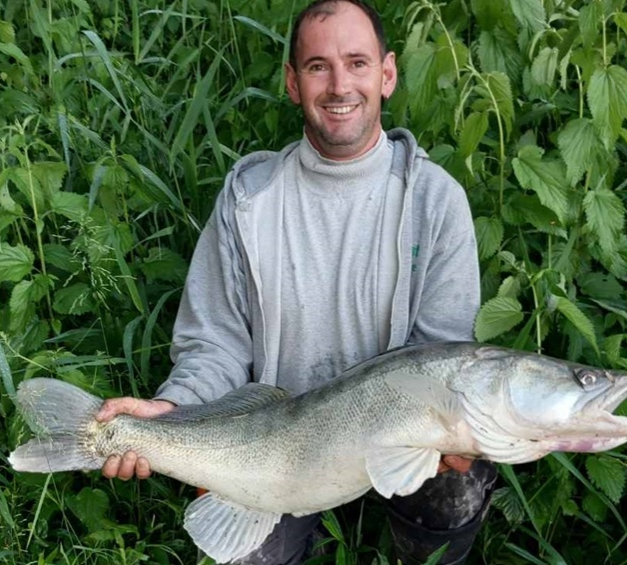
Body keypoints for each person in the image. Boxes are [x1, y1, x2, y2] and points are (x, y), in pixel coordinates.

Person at [95, 0, 497, 563]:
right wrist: (177, 409)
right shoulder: (247, 200)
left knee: (462, 476)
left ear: (387, 74)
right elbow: (215, 343)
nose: (339, 85)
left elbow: (439, 359)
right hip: (276, 445)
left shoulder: (436, 200)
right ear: (292, 81)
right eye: (317, 67)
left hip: (398, 440)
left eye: (357, 63)